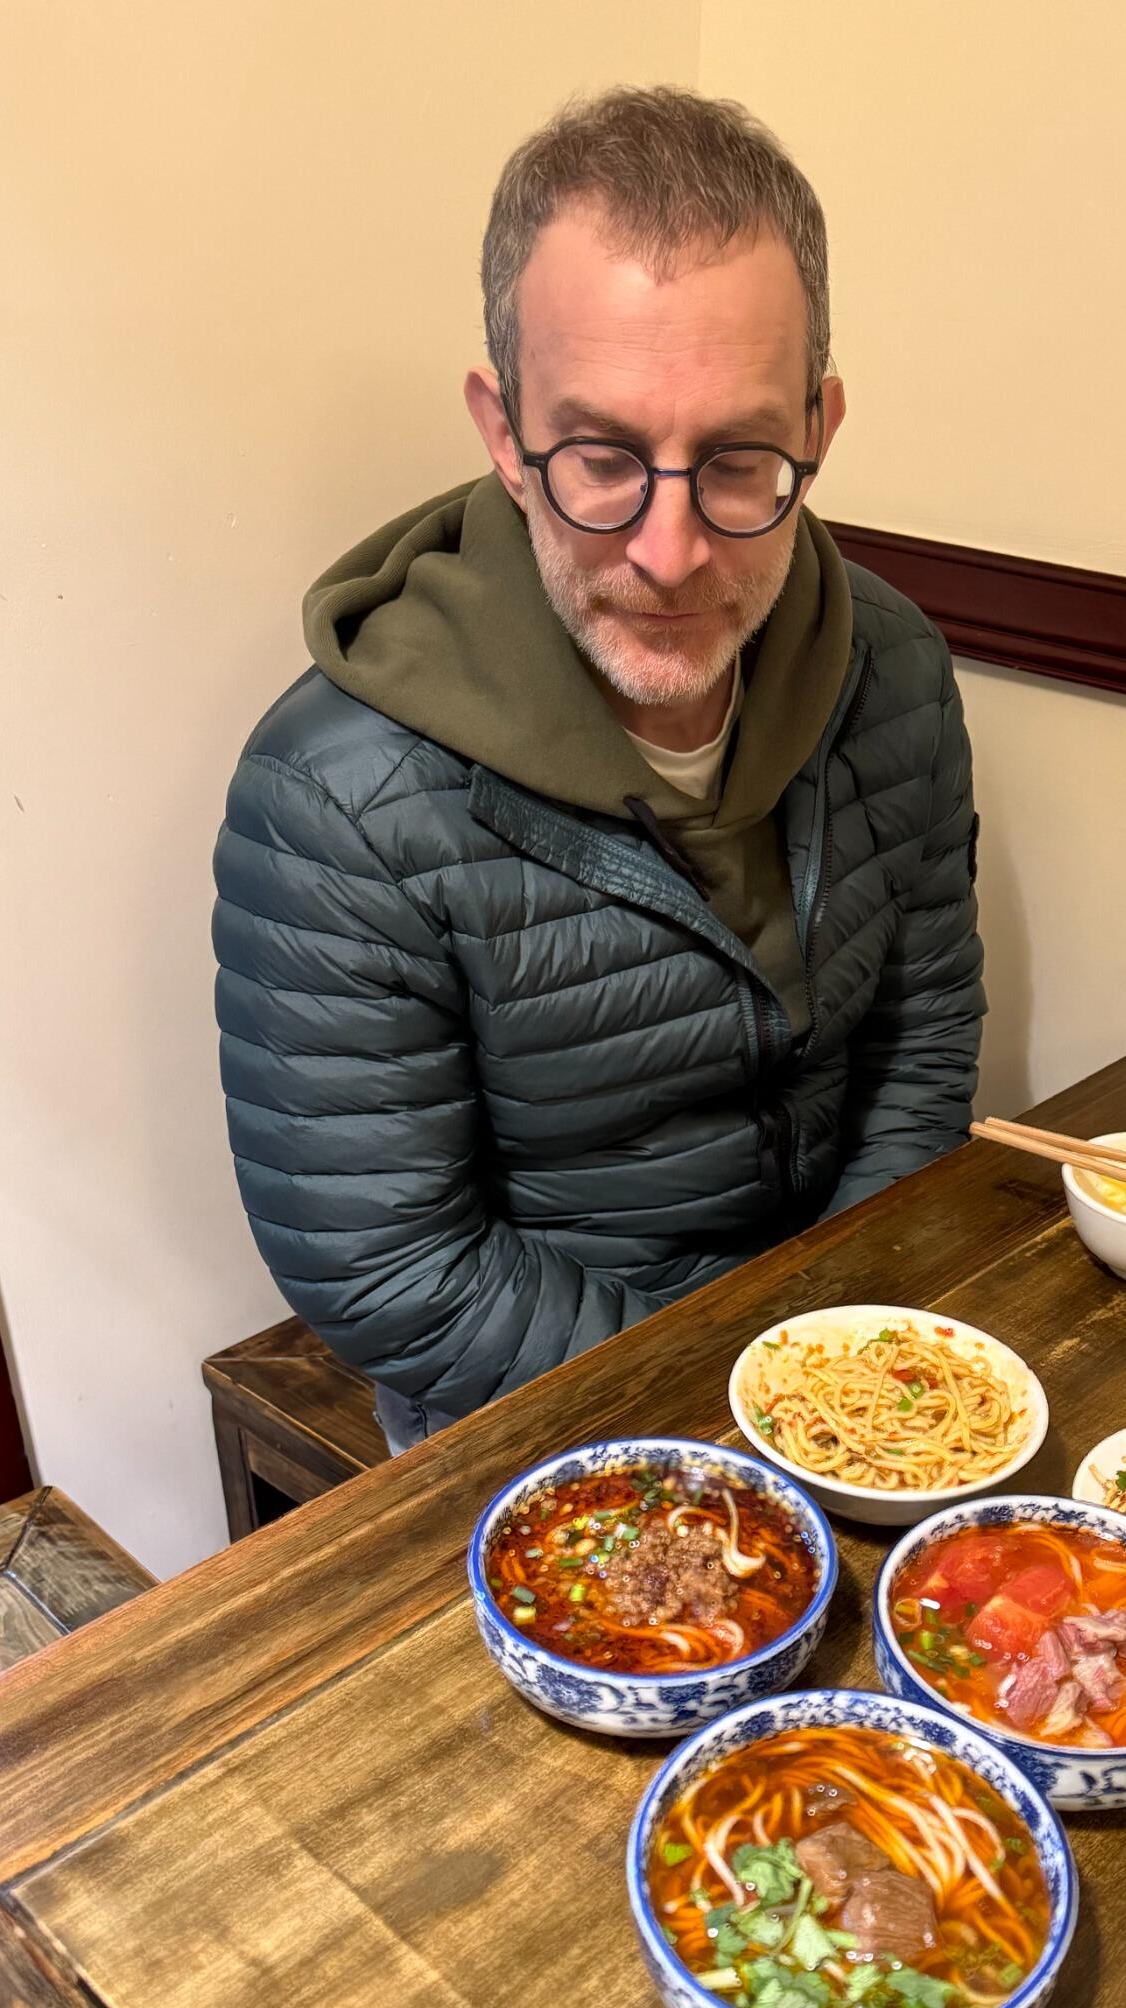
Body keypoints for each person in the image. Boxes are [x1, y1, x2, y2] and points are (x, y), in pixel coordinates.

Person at [214, 87, 983, 1453]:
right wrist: (739, 1411)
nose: (672, 551)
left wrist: (846, 1351)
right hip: (541, 1414)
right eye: (602, 458)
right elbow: (388, 1267)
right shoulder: (336, 800)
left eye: (741, 459)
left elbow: (919, 1049)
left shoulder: (895, 667)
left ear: (822, 424)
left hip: (842, 1365)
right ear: (504, 435)